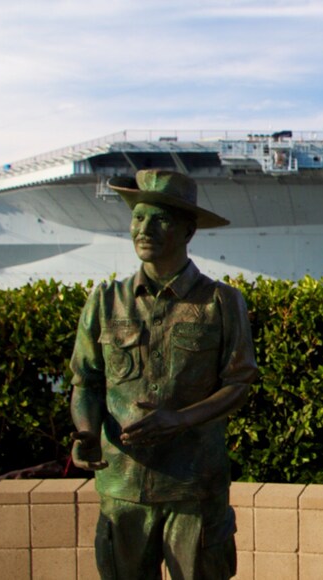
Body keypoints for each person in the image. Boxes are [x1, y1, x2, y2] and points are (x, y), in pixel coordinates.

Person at [70, 169, 258, 579]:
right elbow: (86, 382)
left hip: (194, 488)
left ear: (188, 231)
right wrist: (85, 433)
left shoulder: (222, 302)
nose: (144, 229)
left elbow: (239, 383)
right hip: (122, 489)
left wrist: (181, 419)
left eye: (161, 220)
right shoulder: (105, 301)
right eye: (138, 217)